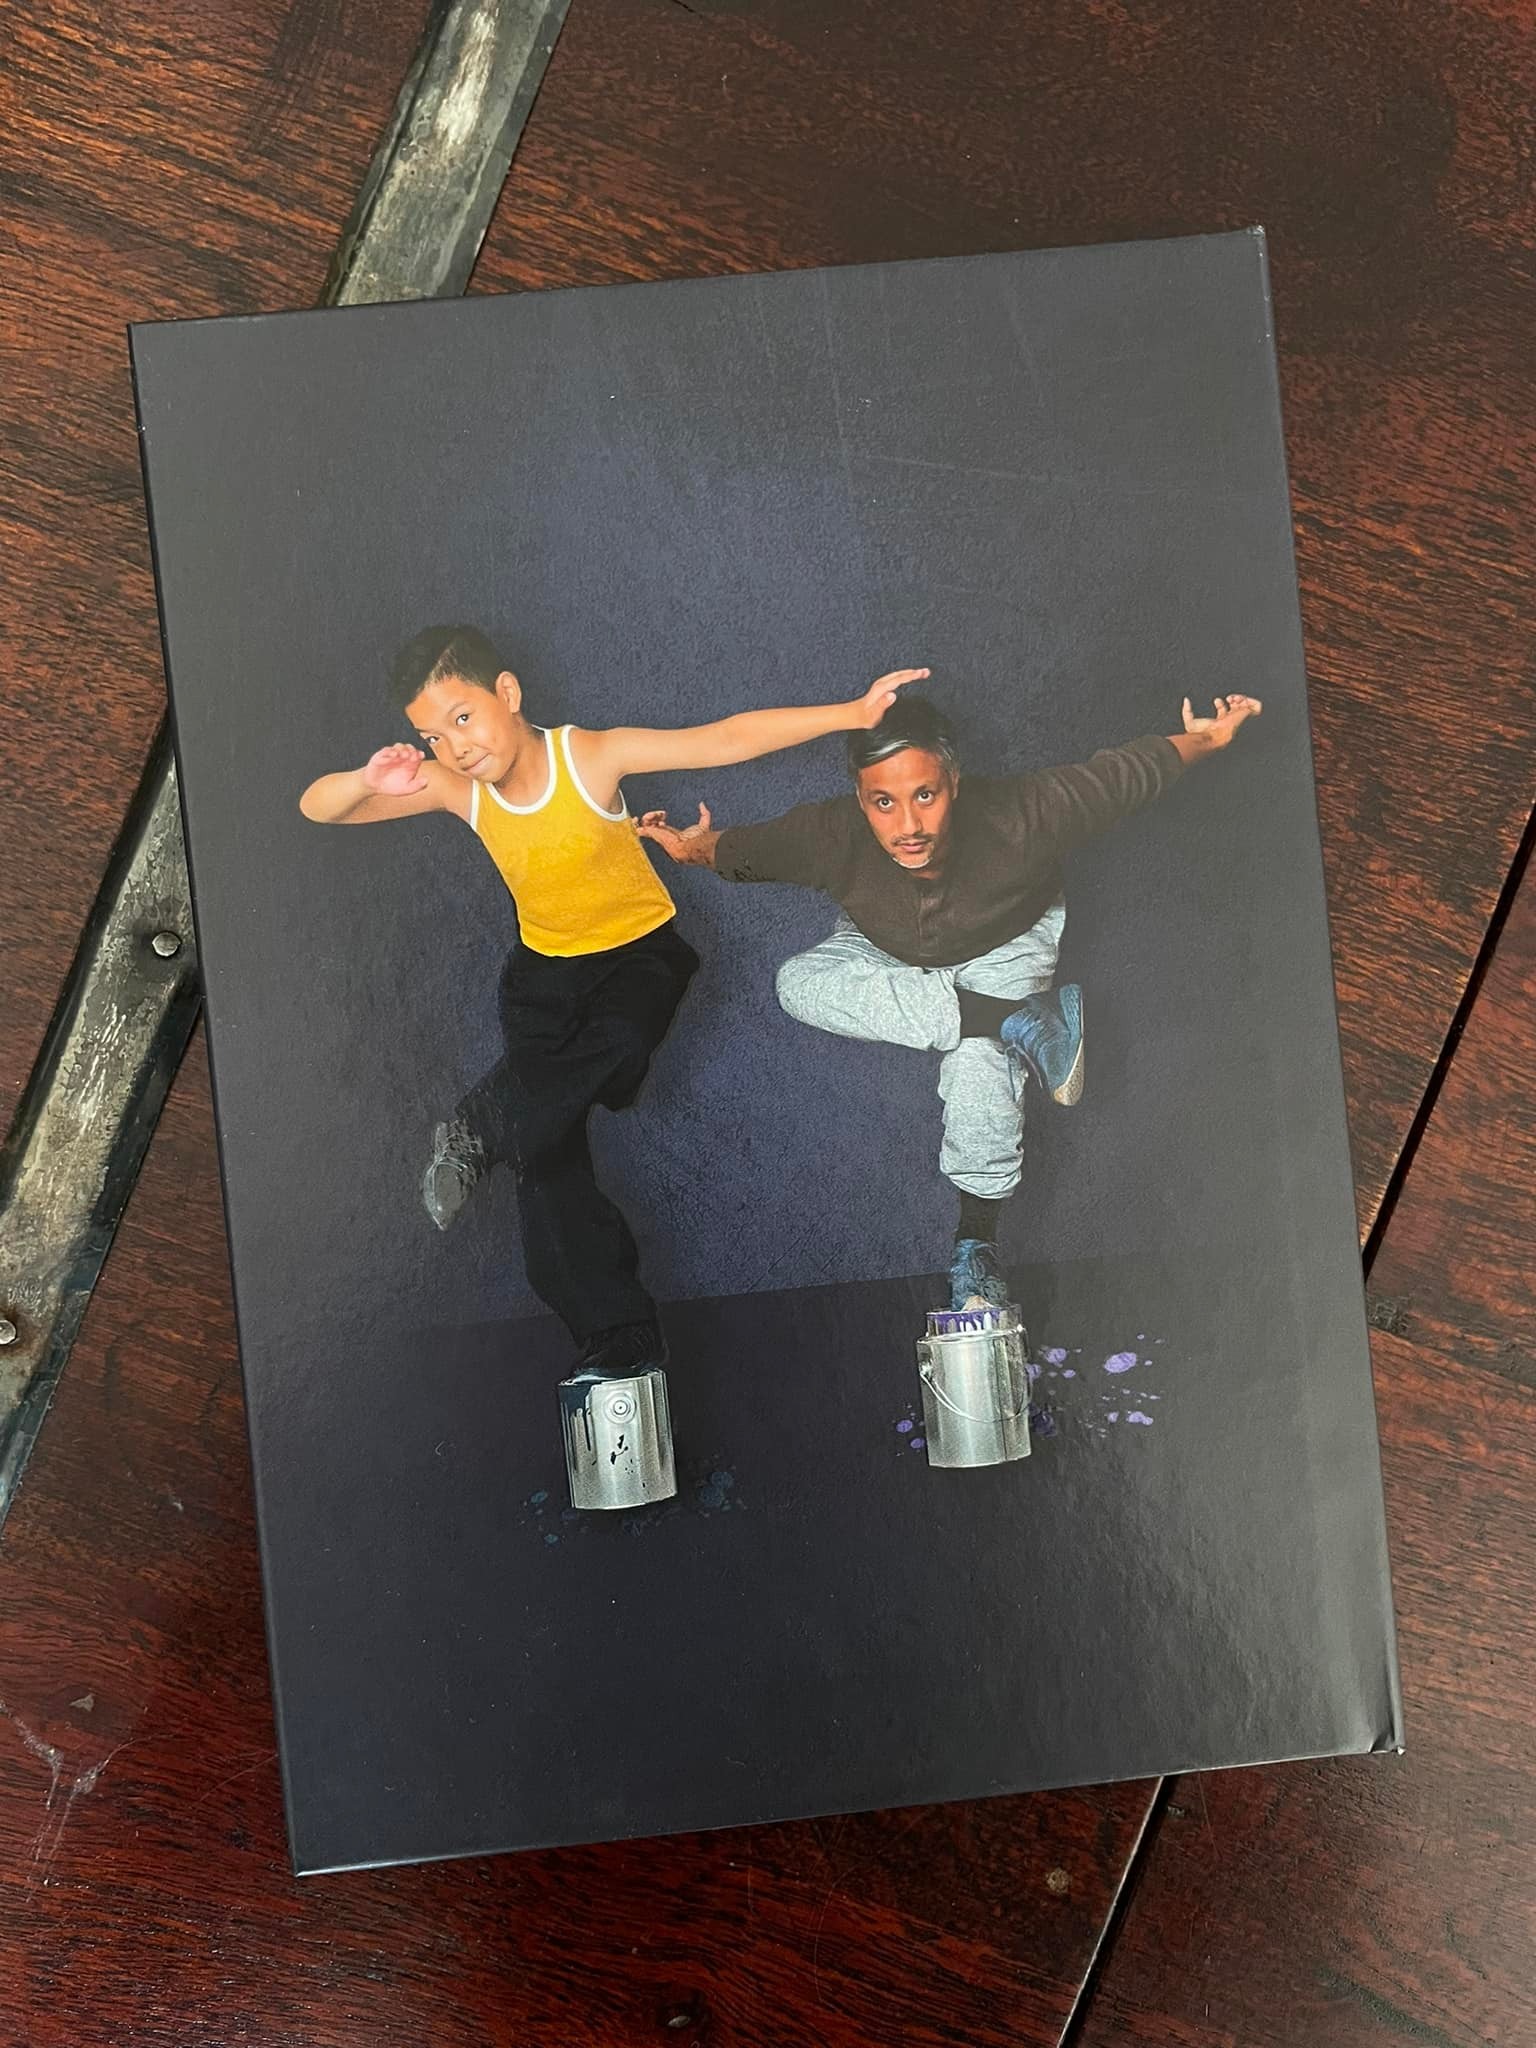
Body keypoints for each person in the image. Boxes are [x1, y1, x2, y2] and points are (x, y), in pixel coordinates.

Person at [298, 624, 927, 1382]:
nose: (454, 748)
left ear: (507, 694)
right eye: (433, 736)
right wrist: (367, 779)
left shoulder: (589, 757)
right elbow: (319, 808)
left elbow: (723, 738)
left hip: (637, 958)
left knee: (621, 1044)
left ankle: (481, 1122)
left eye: (462, 718)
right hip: (543, 979)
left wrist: (852, 714)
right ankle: (616, 1338)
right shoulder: (458, 788)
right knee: (546, 1160)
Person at [637, 688, 1262, 1312]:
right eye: (884, 802)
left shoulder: (1028, 812)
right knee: (798, 983)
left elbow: (1131, 773)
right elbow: (740, 852)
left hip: (1007, 938)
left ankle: (976, 1245)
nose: (908, 826)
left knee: (979, 1065)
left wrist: (1209, 737)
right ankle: (1017, 1020)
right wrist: (691, 848)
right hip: (885, 939)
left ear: (954, 783)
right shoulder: (829, 833)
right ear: (860, 797)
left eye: (925, 796)